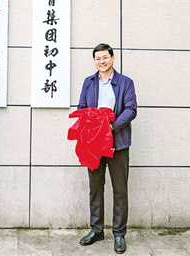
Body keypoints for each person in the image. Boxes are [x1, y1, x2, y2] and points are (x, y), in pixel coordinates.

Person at [77, 43, 137, 254]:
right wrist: (93, 125)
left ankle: (119, 234)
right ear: (94, 61)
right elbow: (81, 108)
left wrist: (111, 126)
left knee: (120, 189)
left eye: (105, 57)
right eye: (97, 58)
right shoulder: (89, 82)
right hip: (94, 144)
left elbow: (131, 109)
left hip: (118, 142)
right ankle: (97, 230)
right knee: (95, 187)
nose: (101, 61)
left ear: (112, 58)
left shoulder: (126, 82)